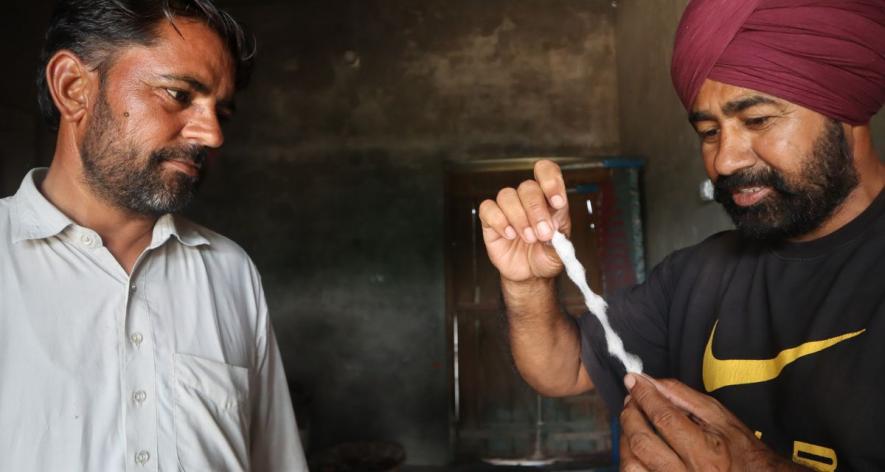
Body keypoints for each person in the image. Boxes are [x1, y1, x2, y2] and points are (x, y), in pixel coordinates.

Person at [479, 0, 885, 470]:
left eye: (757, 121)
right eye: (709, 132)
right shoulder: (696, 276)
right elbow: (562, 369)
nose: (725, 160)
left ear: (848, 112)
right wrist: (526, 284)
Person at [0, 1, 307, 470]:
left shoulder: (231, 272)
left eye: (220, 112)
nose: (211, 135)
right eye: (179, 95)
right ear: (73, 87)